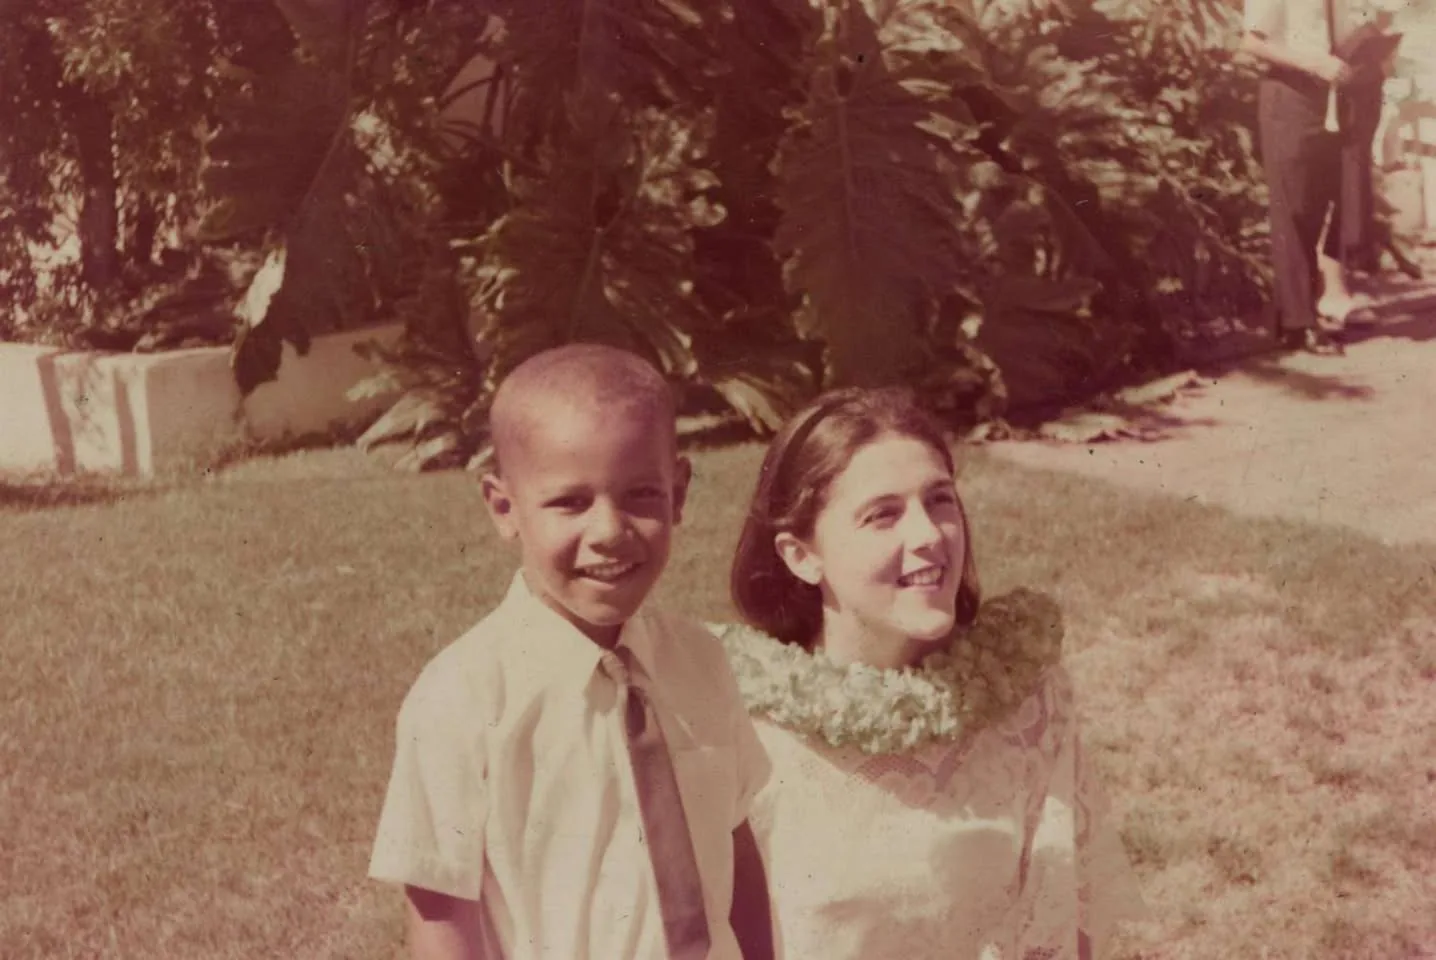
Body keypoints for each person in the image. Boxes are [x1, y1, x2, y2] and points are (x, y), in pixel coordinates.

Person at [369, 343, 773, 959]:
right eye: (570, 502)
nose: (610, 531)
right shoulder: (461, 700)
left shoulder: (702, 662)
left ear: (679, 491)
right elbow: (440, 909)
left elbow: (736, 844)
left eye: (641, 494)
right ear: (505, 508)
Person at [714, 387, 1146, 959]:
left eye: (939, 501)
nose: (929, 536)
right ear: (800, 555)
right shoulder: (740, 726)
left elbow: (1066, 922)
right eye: (882, 514)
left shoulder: (1026, 702)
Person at [1241, 0, 1402, 354]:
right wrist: (1313, 61)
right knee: (1294, 208)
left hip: (1341, 97)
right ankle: (1299, 323)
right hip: (1291, 95)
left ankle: (1309, 307)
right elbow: (1252, 42)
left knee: (1333, 201)